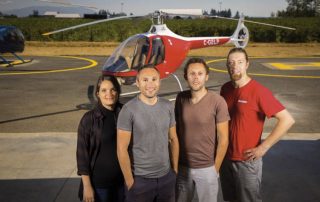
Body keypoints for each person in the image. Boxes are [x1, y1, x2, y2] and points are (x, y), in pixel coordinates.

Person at [220, 47, 295, 202]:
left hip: (247, 161)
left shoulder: (258, 91)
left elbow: (287, 120)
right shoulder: (225, 89)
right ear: (227, 66)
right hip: (226, 158)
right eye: (231, 63)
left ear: (247, 64)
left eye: (240, 62)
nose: (235, 66)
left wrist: (263, 147)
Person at [117, 66, 179, 202]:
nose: (150, 84)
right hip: (140, 181)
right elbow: (121, 149)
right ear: (137, 83)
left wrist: (174, 171)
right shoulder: (128, 110)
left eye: (154, 79)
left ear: (159, 82)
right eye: (145, 80)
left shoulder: (167, 106)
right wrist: (130, 181)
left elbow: (173, 139)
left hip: (166, 178)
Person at [175, 58, 230, 202]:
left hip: (207, 168)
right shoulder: (180, 98)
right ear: (186, 76)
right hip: (183, 167)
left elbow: (224, 139)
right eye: (192, 73)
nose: (196, 77)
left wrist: (215, 169)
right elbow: (175, 133)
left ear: (206, 77)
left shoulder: (217, 101)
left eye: (200, 73)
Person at [76, 75, 124, 202]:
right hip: (99, 186)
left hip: (122, 184)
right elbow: (82, 155)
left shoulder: (125, 113)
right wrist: (87, 186)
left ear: (118, 92)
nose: (109, 94)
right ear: (97, 94)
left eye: (113, 89)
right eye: (104, 90)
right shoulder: (89, 119)